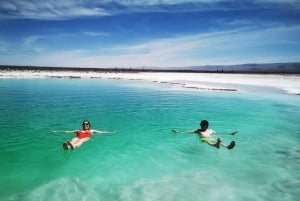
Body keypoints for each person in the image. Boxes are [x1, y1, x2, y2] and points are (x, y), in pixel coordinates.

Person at [53, 120, 117, 150]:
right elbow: (68, 131)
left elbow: (101, 132)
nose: (85, 125)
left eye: (87, 124)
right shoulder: (78, 130)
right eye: (84, 124)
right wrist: (57, 132)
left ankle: (73, 146)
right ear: (82, 125)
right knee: (74, 139)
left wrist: (112, 132)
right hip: (78, 137)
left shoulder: (91, 131)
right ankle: (68, 147)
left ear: (89, 125)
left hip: (86, 138)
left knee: (81, 140)